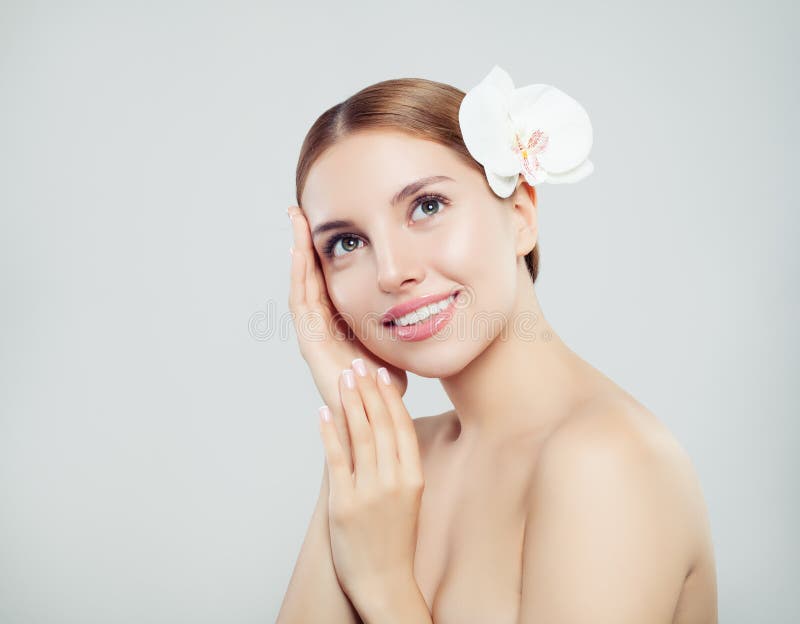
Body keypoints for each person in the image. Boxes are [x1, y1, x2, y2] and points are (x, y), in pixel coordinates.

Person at [276, 66, 718, 623]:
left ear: (521, 214)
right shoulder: (397, 460)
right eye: (347, 242)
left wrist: (385, 584)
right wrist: (354, 413)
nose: (391, 272)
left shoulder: (606, 462)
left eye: (427, 207)